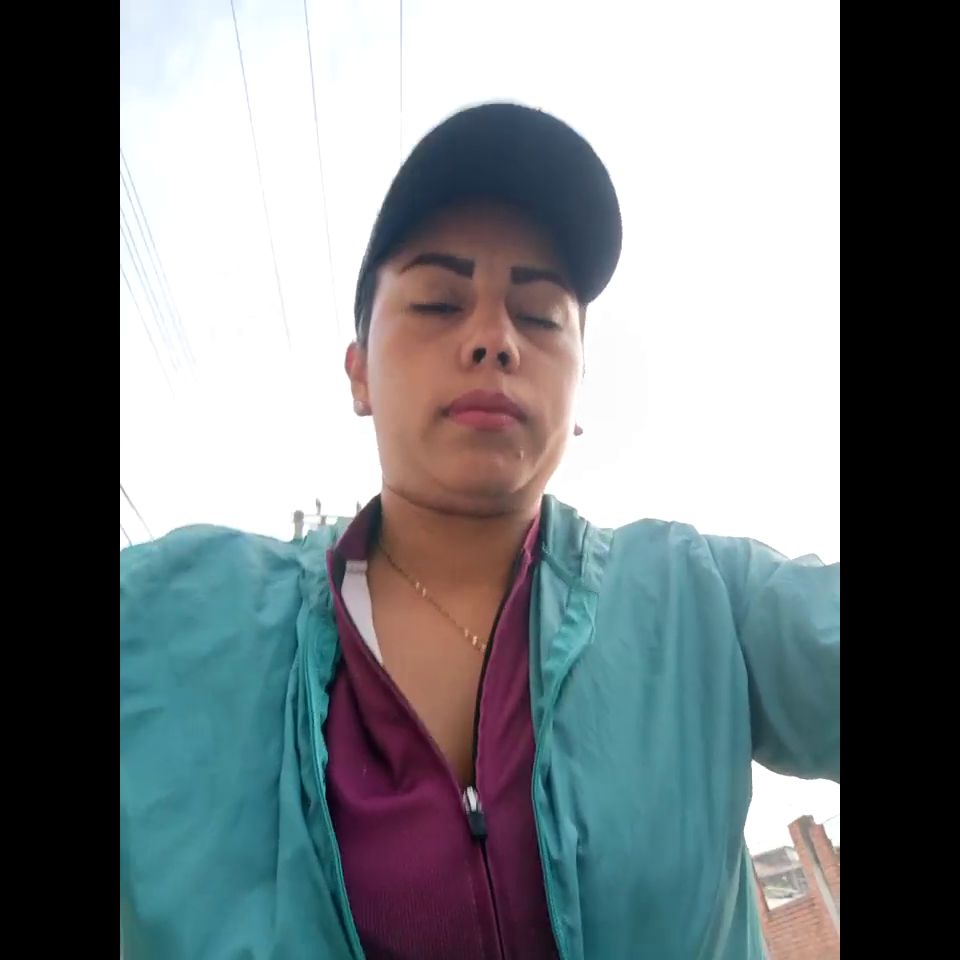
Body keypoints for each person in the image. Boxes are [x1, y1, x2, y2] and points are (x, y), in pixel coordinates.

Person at [120, 103, 839, 960]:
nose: (495, 340)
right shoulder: (169, 620)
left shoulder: (705, 602)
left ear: (579, 389)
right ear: (359, 374)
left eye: (538, 316)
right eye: (437, 302)